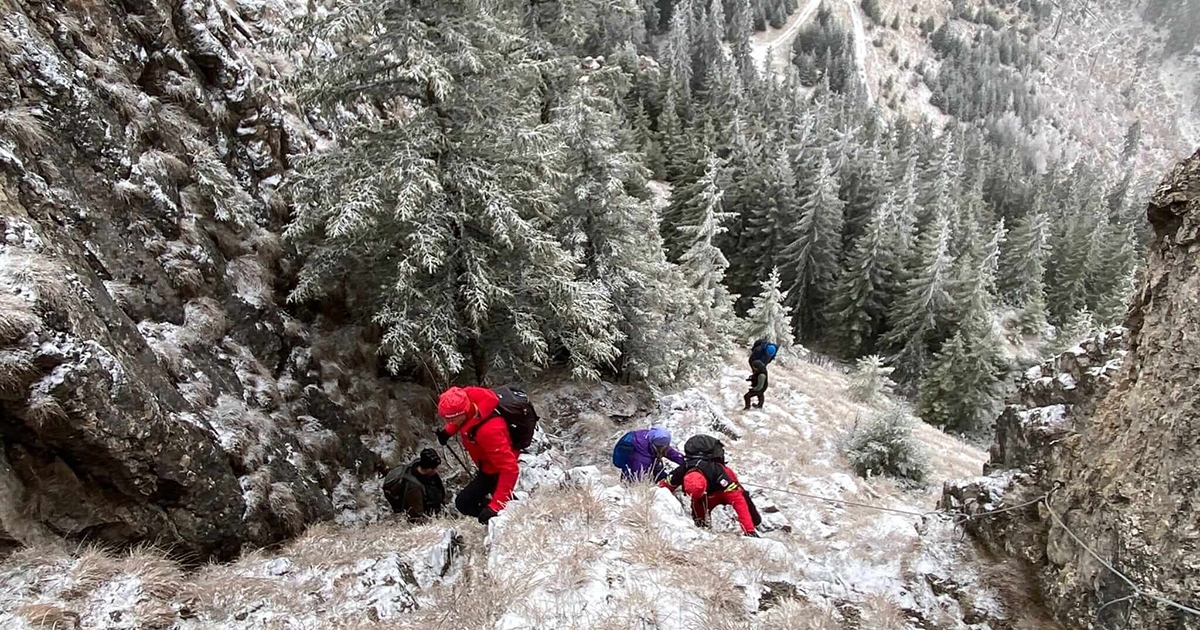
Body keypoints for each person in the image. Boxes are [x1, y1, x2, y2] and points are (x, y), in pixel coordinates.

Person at [435, 386, 520, 525]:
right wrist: (448, 432)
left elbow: (510, 469)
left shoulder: (489, 431)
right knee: (466, 502)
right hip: (487, 465)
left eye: (451, 420)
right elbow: (465, 418)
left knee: (465, 503)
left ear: (462, 413)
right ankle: (508, 512)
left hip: (495, 469)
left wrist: (495, 506)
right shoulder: (468, 397)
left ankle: (506, 520)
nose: (448, 423)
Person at [660, 458, 759, 537]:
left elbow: (739, 502)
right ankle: (702, 527)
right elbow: (664, 486)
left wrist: (749, 530)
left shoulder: (721, 475)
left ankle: (755, 523)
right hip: (705, 496)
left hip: (723, 491)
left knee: (744, 499)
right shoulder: (681, 470)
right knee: (698, 516)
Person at [383, 448, 447, 522]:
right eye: (434, 469)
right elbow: (416, 517)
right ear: (427, 469)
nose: (437, 471)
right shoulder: (414, 489)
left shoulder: (418, 464)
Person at [612, 427, 685, 482]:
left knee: (663, 477)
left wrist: (686, 461)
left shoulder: (653, 438)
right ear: (659, 447)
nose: (667, 448)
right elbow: (638, 480)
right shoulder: (641, 458)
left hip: (649, 464)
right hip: (633, 476)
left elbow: (670, 452)